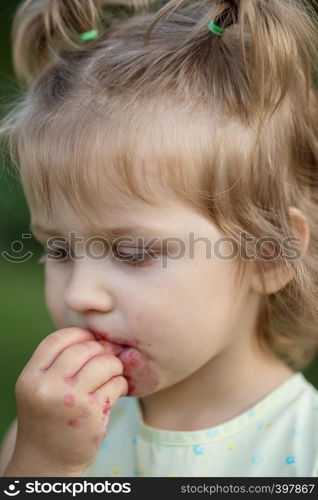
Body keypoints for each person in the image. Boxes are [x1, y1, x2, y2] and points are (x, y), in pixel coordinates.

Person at [0, 0, 317, 477]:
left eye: (133, 253)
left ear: (269, 254)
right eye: (60, 250)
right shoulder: (54, 429)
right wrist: (45, 463)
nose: (79, 293)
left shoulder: (304, 445)